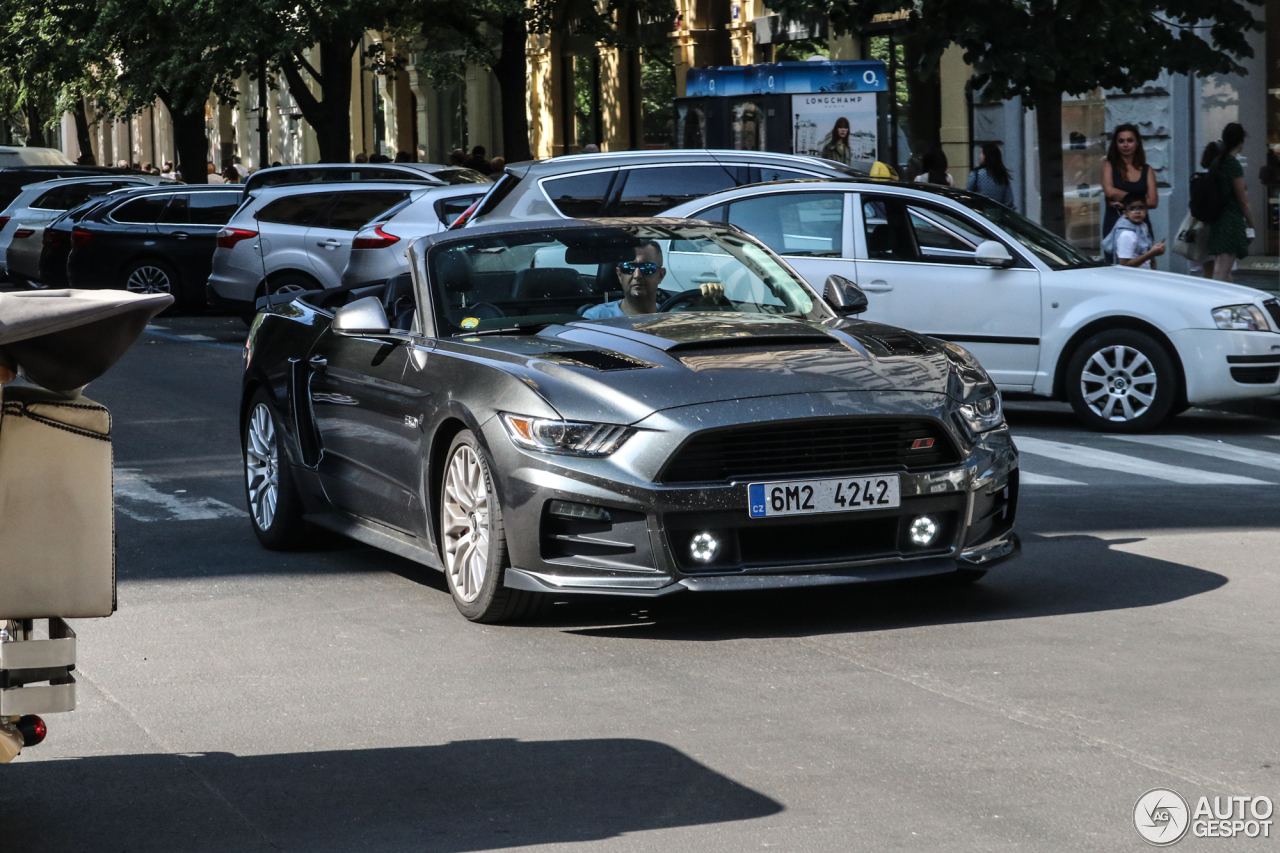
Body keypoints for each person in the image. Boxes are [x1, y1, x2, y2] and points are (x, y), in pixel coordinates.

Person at [581, 242, 723, 319]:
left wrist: (709, 304)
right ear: (619, 274)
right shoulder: (596, 318)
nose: (637, 275)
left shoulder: (674, 318)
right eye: (629, 267)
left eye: (647, 267)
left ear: (661, 275)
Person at [1205, 122, 1255, 283]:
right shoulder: (1233, 164)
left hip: (1217, 220)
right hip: (1231, 221)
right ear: (1241, 141)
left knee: (1224, 270)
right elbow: (1242, 200)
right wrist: (1252, 223)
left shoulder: (1217, 163)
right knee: (1221, 272)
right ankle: (1212, 303)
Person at [1101, 124, 1158, 261]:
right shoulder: (1108, 165)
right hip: (1115, 222)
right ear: (1116, 144)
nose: (1125, 145)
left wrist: (1124, 202)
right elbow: (1109, 191)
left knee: (1144, 261)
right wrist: (1139, 201)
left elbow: (1153, 201)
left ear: (1137, 143)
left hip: (1141, 224)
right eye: (1121, 141)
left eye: (1130, 140)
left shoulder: (1146, 169)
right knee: (1116, 264)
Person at [1108, 193, 1164, 269]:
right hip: (1132, 277)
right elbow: (1124, 265)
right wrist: (1151, 253)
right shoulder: (1127, 234)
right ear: (1125, 213)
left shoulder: (1143, 226)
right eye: (1132, 208)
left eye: (1141, 208)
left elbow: (1148, 250)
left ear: (1146, 211)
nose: (1137, 211)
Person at [966, 143, 1015, 207]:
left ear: (986, 156)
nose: (980, 156)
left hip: (979, 213)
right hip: (997, 214)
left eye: (981, 153)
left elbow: (968, 193)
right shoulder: (1002, 175)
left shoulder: (976, 174)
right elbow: (1009, 201)